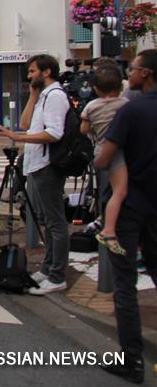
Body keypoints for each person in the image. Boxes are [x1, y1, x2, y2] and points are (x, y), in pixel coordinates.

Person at [94, 49, 157, 385]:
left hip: (130, 206)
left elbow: (105, 159)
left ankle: (132, 360)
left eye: (132, 69)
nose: (127, 74)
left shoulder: (132, 112)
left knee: (125, 285)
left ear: (145, 74)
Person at [0, 54, 69, 295]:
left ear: (46, 72)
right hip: (36, 165)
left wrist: (18, 138)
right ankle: (48, 269)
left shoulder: (56, 96)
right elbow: (26, 123)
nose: (29, 76)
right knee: (45, 220)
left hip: (47, 165)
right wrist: (33, 94)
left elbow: (54, 133)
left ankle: (58, 275)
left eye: (32, 71)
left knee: (55, 222)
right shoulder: (44, 96)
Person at [78, 65, 128, 255]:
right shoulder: (125, 104)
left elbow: (83, 130)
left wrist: (94, 132)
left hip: (99, 149)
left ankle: (103, 217)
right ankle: (107, 226)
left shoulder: (91, 106)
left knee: (104, 189)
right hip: (116, 150)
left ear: (96, 89)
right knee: (120, 191)